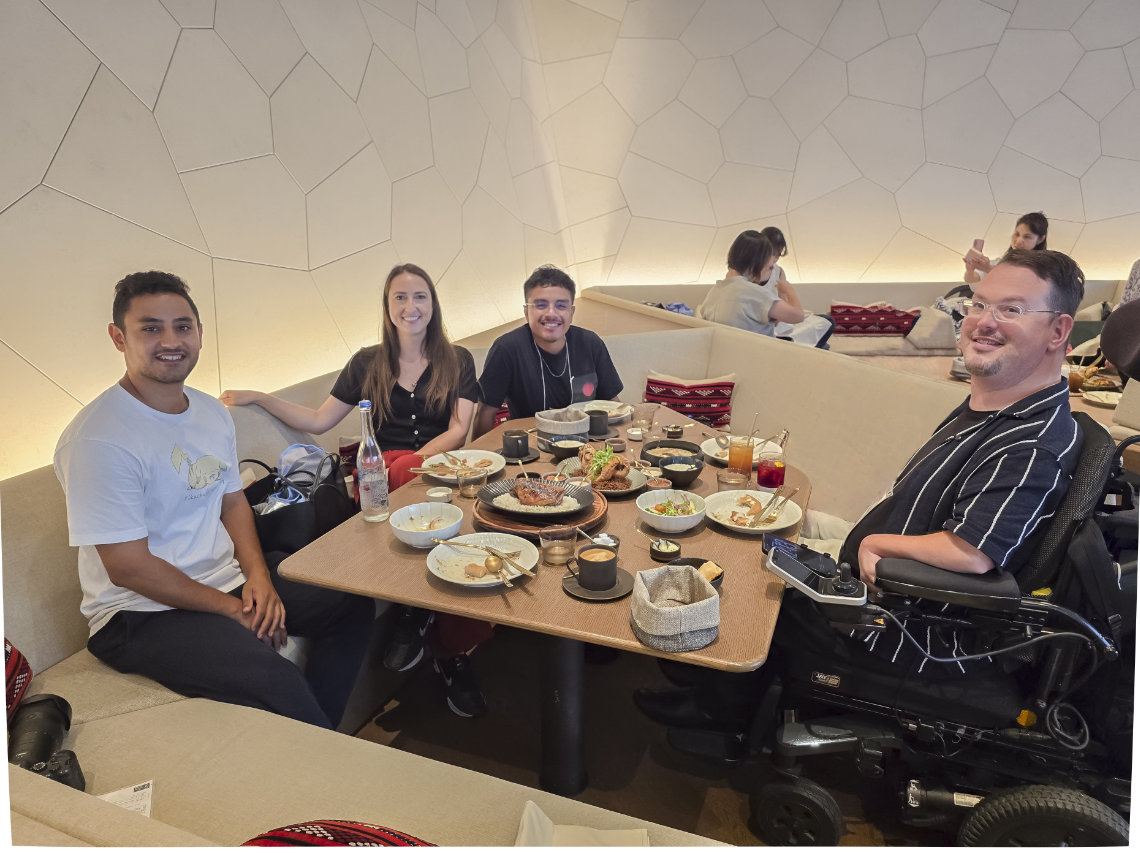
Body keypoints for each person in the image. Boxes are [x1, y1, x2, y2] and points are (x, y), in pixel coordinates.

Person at [636, 249, 1085, 732]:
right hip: (877, 575)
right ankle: (708, 674)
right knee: (756, 535)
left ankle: (721, 717)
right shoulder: (994, 407)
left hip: (903, 623)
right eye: (978, 304)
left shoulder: (1032, 443)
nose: (984, 321)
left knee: (756, 584)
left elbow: (973, 553)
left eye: (1011, 309)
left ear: (1058, 331)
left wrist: (874, 542)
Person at [54, 271, 374, 730]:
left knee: (351, 603)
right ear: (119, 338)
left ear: (200, 333)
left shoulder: (209, 412)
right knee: (275, 680)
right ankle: (329, 756)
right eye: (151, 328)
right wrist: (232, 609)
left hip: (225, 579)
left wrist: (258, 576)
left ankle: (323, 737)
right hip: (138, 613)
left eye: (182, 326)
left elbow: (232, 503)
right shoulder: (98, 439)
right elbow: (127, 567)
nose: (171, 341)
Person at [221, 263, 489, 717]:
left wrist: (416, 461)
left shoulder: (457, 358)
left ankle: (422, 619)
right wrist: (261, 398)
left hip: (439, 471)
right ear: (387, 306)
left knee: (405, 472)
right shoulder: (367, 362)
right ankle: (438, 636)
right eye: (400, 297)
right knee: (393, 473)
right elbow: (318, 420)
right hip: (378, 481)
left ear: (433, 304)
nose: (410, 306)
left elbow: (458, 430)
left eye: (419, 296)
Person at [471, 265, 623, 439]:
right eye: (541, 305)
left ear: (571, 312)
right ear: (526, 312)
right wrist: (479, 454)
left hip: (589, 445)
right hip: (530, 446)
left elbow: (613, 406)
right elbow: (485, 413)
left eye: (561, 306)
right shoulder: (507, 349)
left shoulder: (590, 343)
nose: (551, 313)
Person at [697, 229, 833, 348]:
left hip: (732, 353)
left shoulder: (714, 292)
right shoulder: (752, 292)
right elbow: (798, 316)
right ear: (757, 262)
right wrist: (789, 290)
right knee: (825, 325)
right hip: (761, 355)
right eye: (769, 267)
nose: (770, 270)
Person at [962, 211, 1048, 285]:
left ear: (1040, 239)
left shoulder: (1043, 269)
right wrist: (970, 270)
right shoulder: (1000, 262)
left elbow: (1019, 282)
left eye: (1027, 237)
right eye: (1017, 234)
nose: (1018, 241)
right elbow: (971, 279)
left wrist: (989, 269)